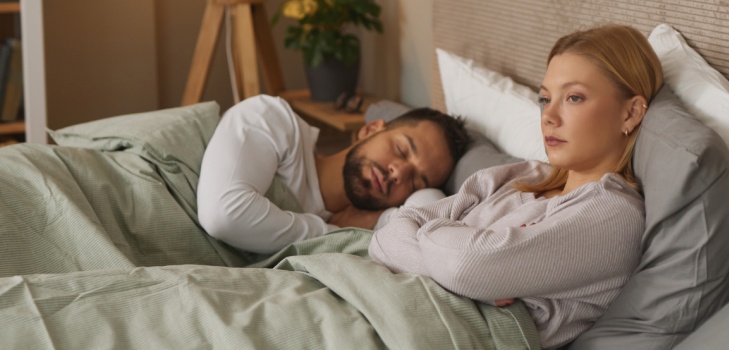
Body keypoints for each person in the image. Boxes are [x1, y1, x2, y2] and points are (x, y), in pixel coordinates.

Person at [368, 24, 663, 350]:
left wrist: (432, 239)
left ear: (631, 112)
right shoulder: (522, 175)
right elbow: (384, 240)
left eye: (574, 97)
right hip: (381, 302)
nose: (549, 116)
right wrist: (465, 276)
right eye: (545, 98)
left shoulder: (613, 215)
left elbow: (465, 265)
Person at [197, 94, 470, 255]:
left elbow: (426, 218)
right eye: (400, 149)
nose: (398, 172)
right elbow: (223, 215)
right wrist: (334, 233)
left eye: (415, 181)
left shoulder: (374, 227)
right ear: (371, 129)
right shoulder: (273, 120)